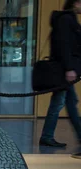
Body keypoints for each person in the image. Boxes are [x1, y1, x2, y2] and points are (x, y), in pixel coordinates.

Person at [40, 0, 81, 147]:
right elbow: (63, 46)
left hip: (65, 71)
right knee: (62, 103)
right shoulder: (66, 19)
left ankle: (47, 135)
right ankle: (47, 136)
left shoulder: (66, 19)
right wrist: (69, 68)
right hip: (64, 72)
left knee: (67, 102)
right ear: (76, 3)